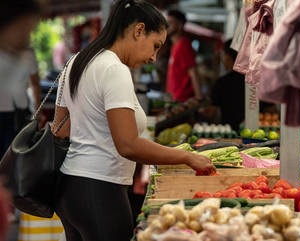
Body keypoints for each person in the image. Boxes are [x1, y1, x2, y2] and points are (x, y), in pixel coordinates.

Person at [51, 1, 215, 240]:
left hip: (69, 190)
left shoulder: (75, 62)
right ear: (139, 31)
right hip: (101, 189)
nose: (153, 57)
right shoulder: (114, 69)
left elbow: (61, 130)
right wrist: (187, 157)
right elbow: (128, 144)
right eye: (155, 46)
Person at [0, 1, 42, 240]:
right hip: (6, 111)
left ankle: (11, 200)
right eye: (25, 28)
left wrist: (36, 111)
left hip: (17, 110)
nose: (27, 35)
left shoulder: (27, 53)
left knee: (12, 157)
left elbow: (34, 83)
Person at [165, 9, 203, 102]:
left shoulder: (184, 45)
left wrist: (199, 99)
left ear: (180, 25)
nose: (167, 26)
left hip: (183, 100)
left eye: (170, 23)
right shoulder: (175, 46)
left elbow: (193, 72)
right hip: (175, 99)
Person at [210, 39, 245, 131]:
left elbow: (210, 113)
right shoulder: (254, 81)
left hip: (228, 133)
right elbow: (270, 109)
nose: (222, 59)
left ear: (228, 57)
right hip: (255, 135)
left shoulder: (222, 82)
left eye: (223, 54)